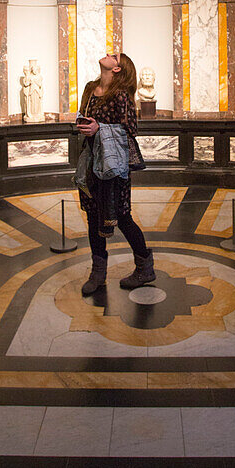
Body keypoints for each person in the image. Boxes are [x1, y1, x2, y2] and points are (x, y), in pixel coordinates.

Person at [76, 52, 155, 295]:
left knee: (122, 217)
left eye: (114, 55)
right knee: (92, 216)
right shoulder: (90, 88)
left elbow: (131, 129)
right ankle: (98, 273)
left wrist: (100, 128)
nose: (108, 54)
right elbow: (83, 116)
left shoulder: (121, 95)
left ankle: (145, 268)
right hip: (91, 162)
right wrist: (84, 125)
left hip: (113, 167)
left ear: (118, 69)